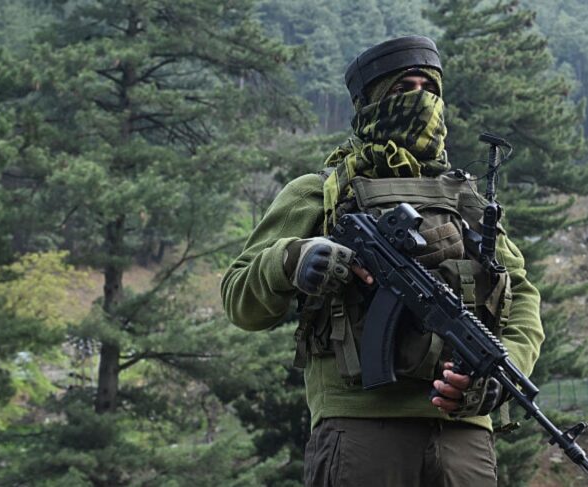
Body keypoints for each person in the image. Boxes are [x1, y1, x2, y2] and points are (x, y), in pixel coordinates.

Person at [221, 35, 544, 487]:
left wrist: (504, 372)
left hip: (463, 438)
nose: (420, 100)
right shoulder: (321, 192)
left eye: (429, 89)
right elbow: (239, 298)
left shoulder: (466, 199)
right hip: (360, 430)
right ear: (369, 102)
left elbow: (521, 296)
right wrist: (293, 258)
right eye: (402, 89)